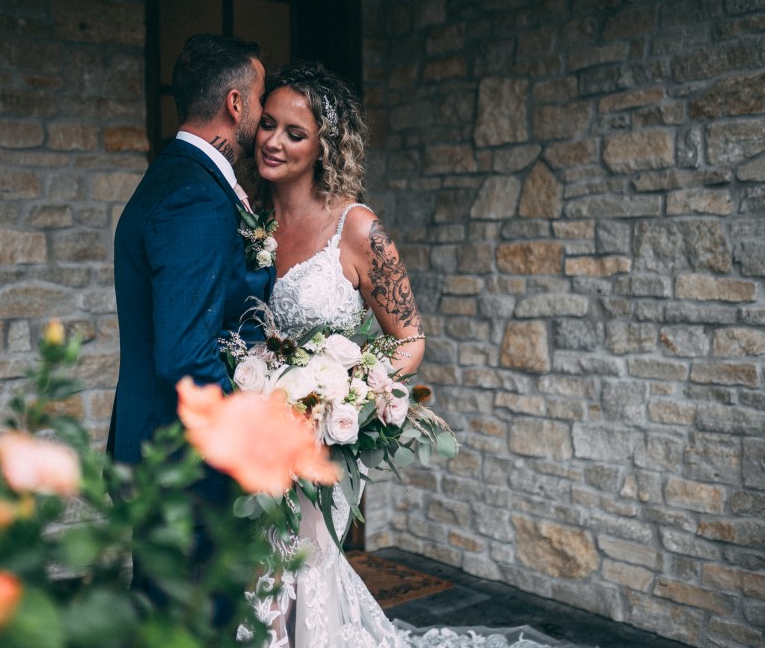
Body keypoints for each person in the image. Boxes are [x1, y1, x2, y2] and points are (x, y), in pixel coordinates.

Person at [239, 62, 558, 648]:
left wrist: (346, 392)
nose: (273, 141)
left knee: (298, 566)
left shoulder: (356, 228)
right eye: (268, 125)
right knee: (258, 572)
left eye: (294, 133)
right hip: (255, 433)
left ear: (324, 148)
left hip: (321, 440)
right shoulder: (248, 219)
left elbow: (410, 337)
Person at [109, 34, 276, 620]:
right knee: (195, 622)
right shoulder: (195, 198)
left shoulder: (170, 178)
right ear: (236, 104)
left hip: (158, 450)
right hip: (186, 463)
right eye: (260, 101)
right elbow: (184, 354)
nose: (264, 118)